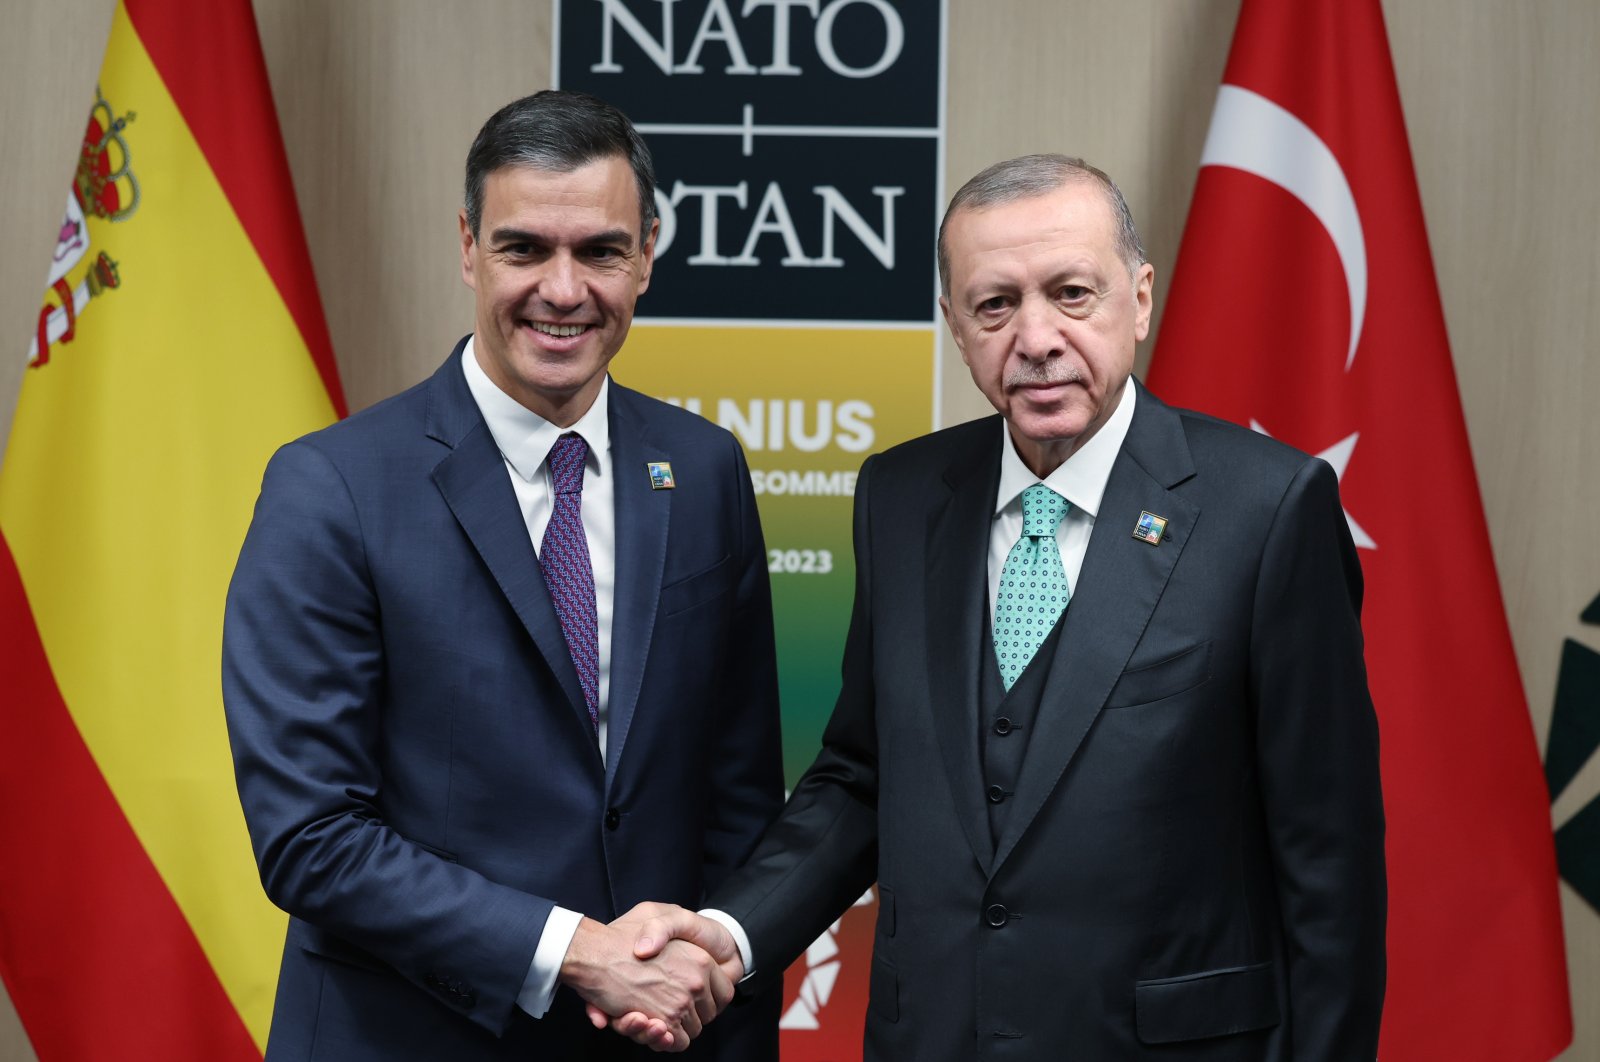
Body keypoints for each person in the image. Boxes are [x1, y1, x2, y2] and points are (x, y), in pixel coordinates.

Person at [612, 154, 1386, 1060]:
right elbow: (863, 776)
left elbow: (1329, 869)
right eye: (995, 304)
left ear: (1139, 298)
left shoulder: (1269, 510)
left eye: (1071, 294)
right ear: (954, 324)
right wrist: (732, 935)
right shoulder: (900, 497)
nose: (1037, 337)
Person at [221, 90, 783, 1060]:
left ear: (647, 252)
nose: (563, 291)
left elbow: (738, 801)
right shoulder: (332, 486)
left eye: (600, 250)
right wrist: (574, 951)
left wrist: (715, 1008)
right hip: (406, 1036)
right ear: (468, 246)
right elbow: (310, 836)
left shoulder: (703, 470)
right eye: (525, 248)